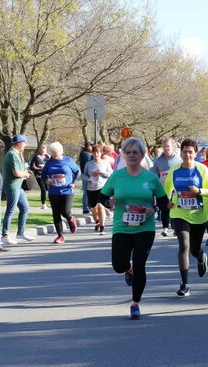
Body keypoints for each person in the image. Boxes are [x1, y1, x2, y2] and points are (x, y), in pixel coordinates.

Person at [100, 137, 168, 320]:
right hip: (122, 227)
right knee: (118, 265)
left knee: (140, 264)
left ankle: (135, 303)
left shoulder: (151, 178)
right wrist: (109, 201)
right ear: (123, 154)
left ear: (142, 155)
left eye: (135, 152)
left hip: (145, 227)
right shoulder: (117, 176)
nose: (131, 155)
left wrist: (154, 209)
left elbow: (163, 200)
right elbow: (101, 197)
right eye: (128, 152)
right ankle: (127, 270)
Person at [163, 139, 208, 297]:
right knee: (184, 246)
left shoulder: (202, 169)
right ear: (180, 153)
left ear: (195, 154)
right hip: (179, 213)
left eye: (190, 152)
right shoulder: (174, 170)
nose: (187, 154)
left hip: (199, 214)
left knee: (194, 248)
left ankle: (201, 258)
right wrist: (168, 201)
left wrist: (199, 191)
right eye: (185, 151)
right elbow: (167, 188)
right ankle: (185, 284)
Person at [42, 142, 80, 244]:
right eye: (52, 153)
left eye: (56, 153)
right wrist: (47, 180)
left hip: (67, 190)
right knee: (56, 213)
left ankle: (70, 218)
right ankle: (60, 235)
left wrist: (74, 183)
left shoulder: (68, 160)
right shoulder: (49, 162)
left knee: (65, 211)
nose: (54, 155)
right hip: (54, 191)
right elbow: (43, 175)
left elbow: (77, 171)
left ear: (61, 151)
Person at [1, 135, 34, 245]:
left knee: (25, 208)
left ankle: (21, 232)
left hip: (18, 186)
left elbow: (22, 169)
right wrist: (25, 174)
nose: (25, 145)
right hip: (12, 186)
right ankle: (5, 235)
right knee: (10, 210)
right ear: (19, 143)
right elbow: (16, 173)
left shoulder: (18, 154)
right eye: (24, 142)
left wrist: (24, 172)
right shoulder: (12, 155)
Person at [151, 138, 182, 237]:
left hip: (176, 189)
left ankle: (175, 227)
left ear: (172, 147)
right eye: (164, 147)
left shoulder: (179, 159)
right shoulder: (158, 160)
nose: (166, 148)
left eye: (168, 146)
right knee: (165, 208)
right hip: (163, 188)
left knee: (174, 207)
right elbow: (154, 174)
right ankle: (165, 227)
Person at [82, 144, 113, 233]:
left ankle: (102, 225)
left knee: (101, 206)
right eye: (94, 152)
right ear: (92, 153)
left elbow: (111, 174)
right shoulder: (89, 164)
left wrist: (101, 173)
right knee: (93, 208)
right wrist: (89, 179)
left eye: (98, 152)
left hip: (102, 187)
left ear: (101, 153)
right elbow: (83, 175)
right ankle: (97, 220)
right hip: (91, 188)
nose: (96, 154)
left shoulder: (105, 163)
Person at [30, 144, 49, 209]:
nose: (43, 151)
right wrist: (38, 168)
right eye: (42, 150)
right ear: (40, 150)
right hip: (39, 175)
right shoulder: (36, 157)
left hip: (47, 175)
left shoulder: (48, 157)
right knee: (43, 189)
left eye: (44, 150)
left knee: (48, 189)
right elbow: (32, 166)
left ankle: (52, 202)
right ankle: (43, 204)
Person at [79, 144, 93, 214]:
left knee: (87, 192)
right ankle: (86, 207)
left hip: (85, 175)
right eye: (91, 145)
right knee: (87, 192)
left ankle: (87, 207)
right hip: (87, 175)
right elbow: (87, 166)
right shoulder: (87, 155)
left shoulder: (83, 153)